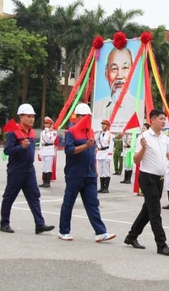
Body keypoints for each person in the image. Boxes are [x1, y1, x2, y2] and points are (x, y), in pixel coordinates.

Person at [124, 109, 169, 255]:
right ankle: (161, 244)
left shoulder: (164, 138)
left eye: (164, 119)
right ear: (152, 120)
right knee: (155, 211)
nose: (163, 122)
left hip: (159, 179)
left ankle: (131, 236)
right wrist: (143, 148)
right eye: (161, 119)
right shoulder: (143, 137)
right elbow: (136, 160)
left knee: (147, 210)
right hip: (147, 177)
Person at [58, 103, 115, 242]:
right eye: (82, 116)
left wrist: (94, 170)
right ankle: (63, 231)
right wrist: (85, 146)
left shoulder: (90, 131)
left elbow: (92, 153)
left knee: (92, 204)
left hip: (89, 174)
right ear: (76, 117)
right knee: (69, 202)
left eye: (87, 116)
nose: (85, 118)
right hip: (75, 173)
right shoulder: (71, 132)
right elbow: (69, 151)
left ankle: (100, 232)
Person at [0, 103, 55, 234]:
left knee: (34, 196)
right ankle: (4, 223)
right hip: (16, 170)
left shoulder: (31, 132)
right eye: (28, 116)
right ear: (21, 117)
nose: (31, 119)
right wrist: (20, 147)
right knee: (9, 196)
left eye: (33, 117)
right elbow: (7, 150)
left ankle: (39, 224)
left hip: (29, 170)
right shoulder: (14, 133)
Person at [92, 46, 137, 128]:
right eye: (114, 69)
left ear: (132, 72)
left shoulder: (138, 106)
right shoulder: (97, 106)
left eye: (125, 68)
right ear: (106, 74)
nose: (119, 76)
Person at [96, 119, 114, 193]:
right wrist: (98, 133)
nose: (102, 126)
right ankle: (102, 187)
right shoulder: (100, 134)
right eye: (102, 124)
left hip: (106, 153)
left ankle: (106, 188)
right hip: (100, 153)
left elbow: (111, 146)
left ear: (107, 126)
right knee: (101, 171)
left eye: (104, 124)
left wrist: (109, 156)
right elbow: (95, 140)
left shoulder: (110, 135)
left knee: (106, 171)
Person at [39, 116, 57, 188]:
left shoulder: (53, 132)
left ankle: (48, 182)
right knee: (44, 167)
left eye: (47, 123)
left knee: (48, 167)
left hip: (49, 150)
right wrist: (40, 152)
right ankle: (44, 181)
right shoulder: (42, 132)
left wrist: (47, 132)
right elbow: (41, 142)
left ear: (50, 124)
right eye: (45, 123)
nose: (45, 125)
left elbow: (50, 140)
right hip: (43, 150)